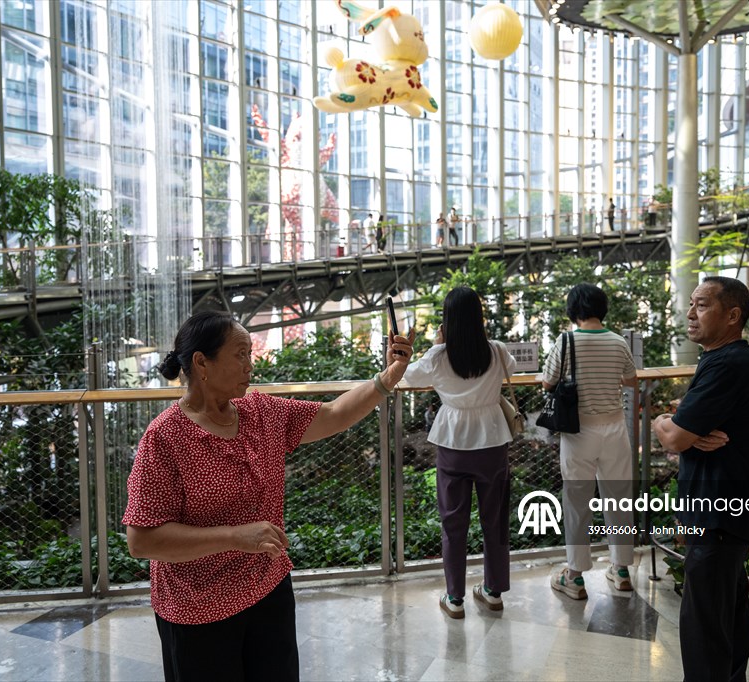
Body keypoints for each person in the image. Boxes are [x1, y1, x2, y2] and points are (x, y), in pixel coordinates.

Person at [122, 310, 415, 681]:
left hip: (268, 590)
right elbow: (142, 540)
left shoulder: (261, 412)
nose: (250, 365)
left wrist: (389, 376)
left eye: (250, 354)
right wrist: (234, 537)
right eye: (240, 354)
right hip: (198, 611)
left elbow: (334, 413)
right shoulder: (165, 437)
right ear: (201, 363)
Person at [651, 276, 749, 682]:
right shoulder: (724, 359)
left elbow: (674, 437)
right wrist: (683, 425)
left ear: (733, 315)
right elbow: (685, 429)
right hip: (726, 513)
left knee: (705, 628)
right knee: (726, 618)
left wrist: (661, 420)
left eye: (702, 305)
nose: (690, 313)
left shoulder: (728, 364)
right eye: (691, 304)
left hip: (719, 515)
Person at [400, 286, 516, 619]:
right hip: (492, 440)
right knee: (495, 520)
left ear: (447, 320)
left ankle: (454, 598)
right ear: (479, 317)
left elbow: (406, 377)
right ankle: (493, 592)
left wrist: (437, 344)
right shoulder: (497, 351)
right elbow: (510, 370)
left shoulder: (438, 356)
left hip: (453, 444)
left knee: (453, 523)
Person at [542, 283, 639, 599]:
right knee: (618, 499)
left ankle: (575, 576)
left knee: (577, 502)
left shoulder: (566, 341)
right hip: (614, 429)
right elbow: (630, 379)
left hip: (579, 431)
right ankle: (621, 570)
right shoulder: (618, 341)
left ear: (573, 310)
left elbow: (548, 382)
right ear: (602, 309)